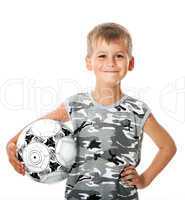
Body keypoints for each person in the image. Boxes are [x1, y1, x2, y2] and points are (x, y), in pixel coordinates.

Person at [7, 22, 177, 200]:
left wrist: (144, 180)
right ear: (89, 62)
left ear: (131, 62)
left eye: (119, 56)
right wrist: (11, 144)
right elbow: (38, 126)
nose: (110, 63)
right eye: (102, 56)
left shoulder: (137, 110)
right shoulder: (75, 105)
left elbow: (168, 147)